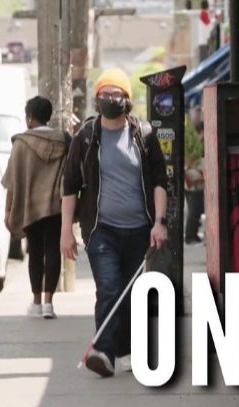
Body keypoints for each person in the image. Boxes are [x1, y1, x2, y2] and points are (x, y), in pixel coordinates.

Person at [60, 68, 168, 378]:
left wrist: (159, 222)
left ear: (127, 99)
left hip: (138, 230)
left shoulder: (144, 134)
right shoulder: (86, 137)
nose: (110, 99)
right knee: (109, 288)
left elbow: (160, 181)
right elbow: (69, 186)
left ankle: (126, 350)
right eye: (104, 94)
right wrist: (66, 231)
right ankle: (103, 352)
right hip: (101, 230)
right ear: (97, 99)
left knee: (130, 294)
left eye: (116, 94)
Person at [2, 96, 70, 319]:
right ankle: (49, 303)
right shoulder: (63, 141)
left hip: (30, 207)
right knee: (53, 251)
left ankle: (37, 302)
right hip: (56, 207)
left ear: (30, 117)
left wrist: (8, 210)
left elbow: (12, 181)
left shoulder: (22, 144)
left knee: (35, 253)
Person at [184, 121, 205, 245]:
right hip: (193, 182)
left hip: (193, 182)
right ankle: (190, 236)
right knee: (194, 210)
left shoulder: (193, 143)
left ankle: (193, 235)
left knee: (196, 210)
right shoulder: (194, 145)